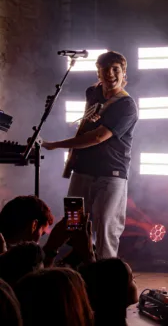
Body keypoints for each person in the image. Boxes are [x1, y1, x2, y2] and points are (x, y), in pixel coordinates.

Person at [41, 51, 138, 260]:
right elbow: (90, 122)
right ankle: (62, 260)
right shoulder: (92, 92)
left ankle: (106, 272)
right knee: (72, 221)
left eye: (115, 69)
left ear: (124, 73)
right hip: (82, 170)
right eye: (105, 69)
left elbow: (98, 137)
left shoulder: (127, 105)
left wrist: (56, 145)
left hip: (111, 174)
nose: (110, 74)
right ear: (98, 73)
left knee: (106, 226)